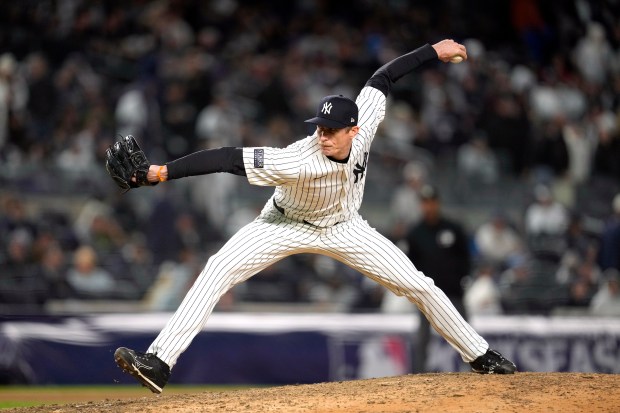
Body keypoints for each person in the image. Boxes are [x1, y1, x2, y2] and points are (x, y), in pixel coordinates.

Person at [113, 39, 516, 394]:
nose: (321, 134)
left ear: (353, 130)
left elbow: (384, 76)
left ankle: (481, 356)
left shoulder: (367, 120)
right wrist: (160, 172)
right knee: (218, 268)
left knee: (420, 286)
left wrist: (432, 51)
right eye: (319, 126)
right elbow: (227, 158)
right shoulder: (296, 160)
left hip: (345, 227)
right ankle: (159, 362)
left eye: (330, 129)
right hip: (282, 224)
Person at [403, 184, 472, 372]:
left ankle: (472, 371)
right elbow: (410, 264)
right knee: (422, 338)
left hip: (453, 292)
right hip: (426, 295)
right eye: (425, 202)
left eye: (432, 202)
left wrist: (463, 279)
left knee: (464, 333)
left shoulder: (453, 229)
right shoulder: (415, 233)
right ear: (421, 205)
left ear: (438, 203)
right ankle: (419, 373)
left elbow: (465, 257)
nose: (429, 206)